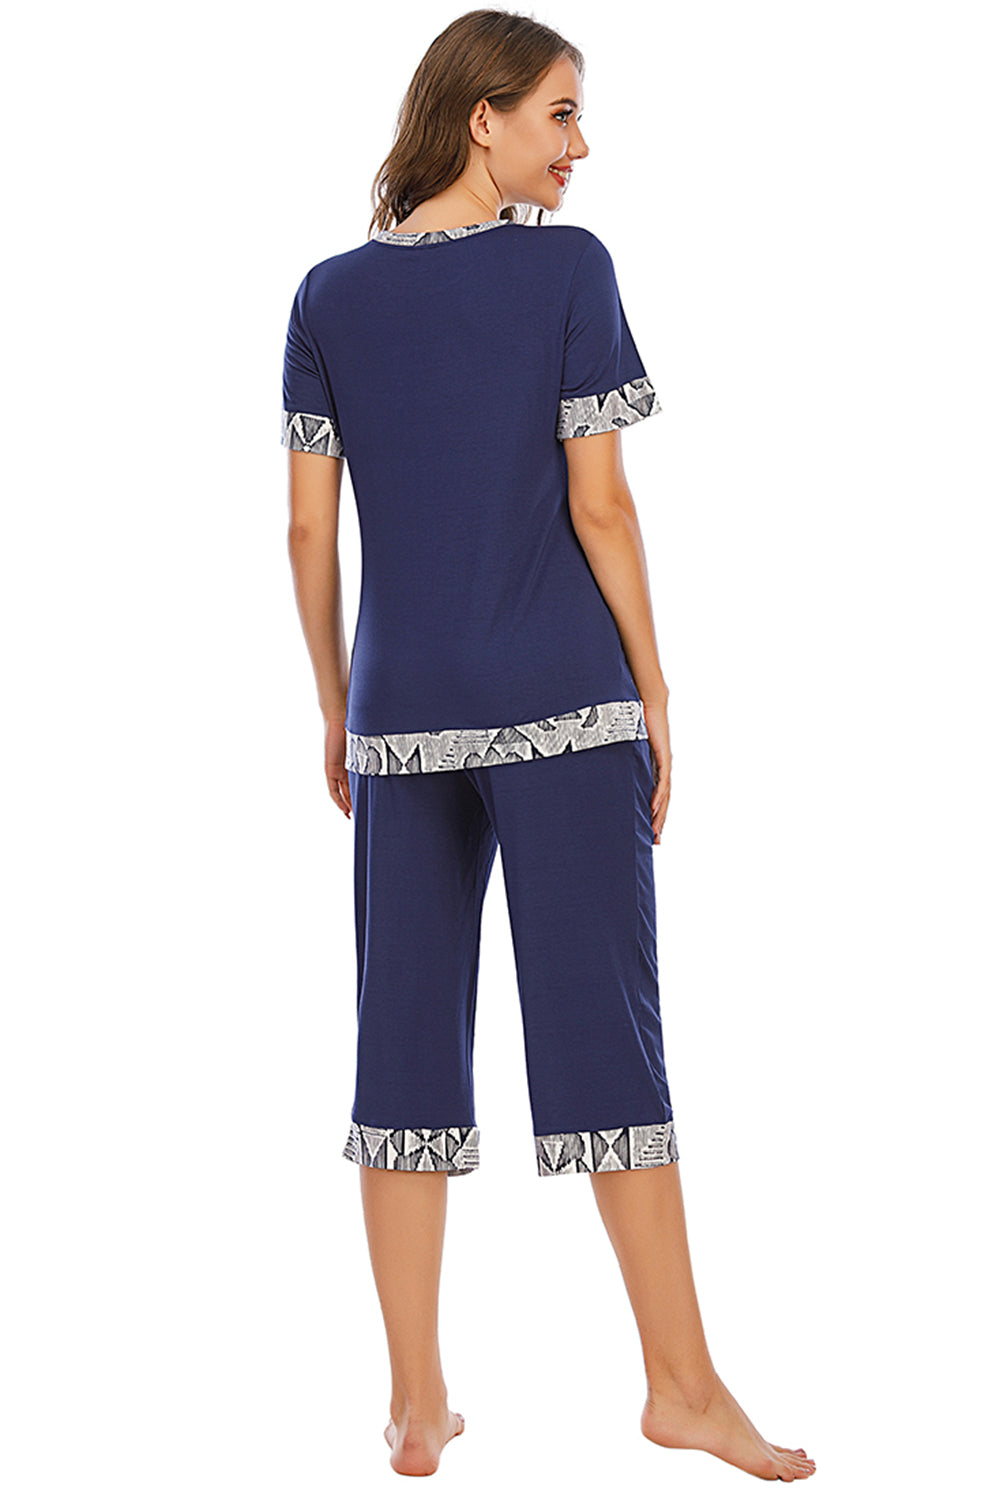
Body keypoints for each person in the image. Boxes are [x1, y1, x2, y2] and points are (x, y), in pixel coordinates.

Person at [280, 8, 816, 1485]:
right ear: (486, 119)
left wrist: (335, 702)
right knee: (606, 1038)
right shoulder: (569, 269)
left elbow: (308, 532)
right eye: (563, 114)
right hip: (564, 702)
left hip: (398, 713)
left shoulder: (325, 297)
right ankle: (683, 1387)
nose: (582, 147)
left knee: (400, 1050)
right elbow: (603, 506)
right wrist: (658, 689)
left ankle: (414, 1405)